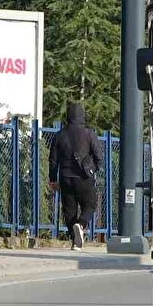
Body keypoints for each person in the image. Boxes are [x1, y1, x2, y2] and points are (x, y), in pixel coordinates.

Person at [48, 102, 104, 251]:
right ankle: (81, 224)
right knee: (89, 205)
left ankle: (75, 242)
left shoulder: (59, 135)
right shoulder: (89, 134)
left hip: (65, 177)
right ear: (82, 116)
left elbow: (53, 160)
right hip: (84, 178)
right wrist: (94, 169)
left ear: (68, 116)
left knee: (69, 210)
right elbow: (99, 157)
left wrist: (53, 179)